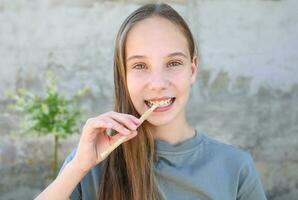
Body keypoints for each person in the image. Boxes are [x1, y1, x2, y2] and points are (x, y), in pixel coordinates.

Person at [35, 3, 267, 200]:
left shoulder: (235, 167)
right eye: (140, 66)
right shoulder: (90, 164)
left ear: (193, 69)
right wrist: (78, 167)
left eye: (173, 63)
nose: (157, 83)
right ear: (123, 75)